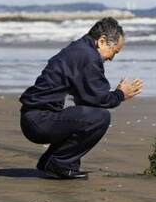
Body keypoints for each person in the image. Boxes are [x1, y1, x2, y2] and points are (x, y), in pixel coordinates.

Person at [19, 17, 143, 179]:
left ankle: (51, 162)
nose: (112, 58)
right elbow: (100, 99)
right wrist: (120, 94)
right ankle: (59, 164)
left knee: (91, 114)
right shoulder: (88, 57)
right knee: (100, 117)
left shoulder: (79, 49)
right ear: (102, 41)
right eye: (114, 51)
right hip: (39, 121)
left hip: (33, 118)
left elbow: (88, 99)